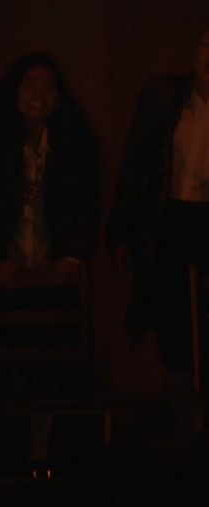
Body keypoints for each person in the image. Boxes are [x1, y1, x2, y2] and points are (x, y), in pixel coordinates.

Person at [0, 53, 101, 478]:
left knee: (50, 361)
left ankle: (41, 454)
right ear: (14, 93)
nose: (38, 94)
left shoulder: (76, 144)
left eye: (47, 86)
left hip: (52, 275)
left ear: (59, 98)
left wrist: (73, 255)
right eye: (30, 85)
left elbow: (88, 206)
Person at [109, 25, 209, 375]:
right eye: (207, 44)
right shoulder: (165, 96)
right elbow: (136, 163)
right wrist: (122, 230)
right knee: (168, 310)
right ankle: (179, 388)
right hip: (168, 215)